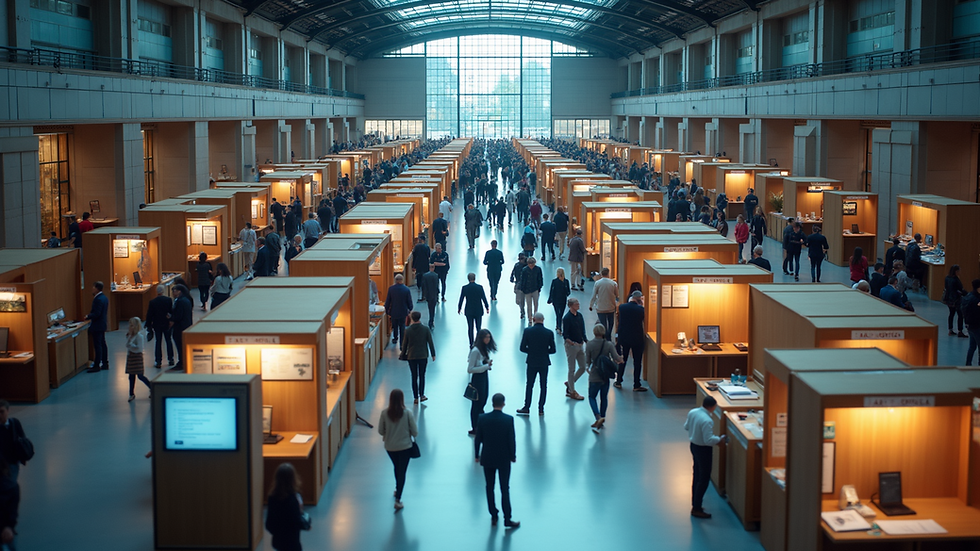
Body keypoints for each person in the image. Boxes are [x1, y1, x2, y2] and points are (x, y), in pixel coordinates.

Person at [474, 393, 519, 528]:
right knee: (504, 488)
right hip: (503, 458)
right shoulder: (508, 420)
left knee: (489, 487)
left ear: (492, 403)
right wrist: (513, 456)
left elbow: (478, 439)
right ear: (503, 403)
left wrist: (477, 455)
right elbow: (511, 440)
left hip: (487, 457)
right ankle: (507, 518)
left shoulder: (482, 419)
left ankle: (493, 515)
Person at [685, 396, 728, 519]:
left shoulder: (693, 412)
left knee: (697, 475)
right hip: (703, 450)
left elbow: (686, 427)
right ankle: (697, 508)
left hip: (693, 446)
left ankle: (696, 503)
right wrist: (720, 439)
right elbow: (708, 440)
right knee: (704, 479)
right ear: (712, 407)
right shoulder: (707, 420)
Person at [378, 388, 419, 511]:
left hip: (390, 447)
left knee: (397, 467)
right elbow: (415, 432)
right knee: (402, 471)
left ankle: (397, 488)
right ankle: (398, 499)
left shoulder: (384, 413)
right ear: (402, 399)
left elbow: (380, 431)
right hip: (405, 447)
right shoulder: (407, 413)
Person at [517, 312, 556, 416]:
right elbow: (553, 350)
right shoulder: (549, 333)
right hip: (544, 362)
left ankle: (526, 407)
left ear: (534, 319)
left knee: (529, 385)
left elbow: (522, 348)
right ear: (543, 320)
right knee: (543, 385)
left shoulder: (527, 331)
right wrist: (544, 351)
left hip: (531, 361)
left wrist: (531, 351)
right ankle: (541, 409)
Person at [586, 324, 622, 430]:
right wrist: (621, 358)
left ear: (594, 332)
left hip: (594, 375)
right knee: (604, 397)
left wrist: (588, 368)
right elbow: (616, 358)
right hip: (605, 375)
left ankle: (597, 417)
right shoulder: (609, 344)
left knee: (592, 397)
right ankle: (602, 417)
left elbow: (587, 361)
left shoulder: (590, 345)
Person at [265, 463, 308, 550]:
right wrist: (307, 523)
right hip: (292, 542)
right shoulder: (293, 499)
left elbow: (269, 524)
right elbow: (297, 521)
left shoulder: (272, 498)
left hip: (278, 542)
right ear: (293, 479)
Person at [467, 329, 496, 435]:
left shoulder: (483, 349)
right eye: (486, 337)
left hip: (483, 377)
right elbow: (470, 369)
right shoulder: (475, 351)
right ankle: (475, 427)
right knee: (477, 404)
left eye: (489, 337)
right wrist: (485, 366)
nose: (488, 339)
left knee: (483, 401)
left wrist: (486, 363)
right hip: (478, 379)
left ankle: (479, 425)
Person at [616, 290, 646, 391]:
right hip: (637, 338)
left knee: (622, 359)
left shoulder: (622, 307)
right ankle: (636, 384)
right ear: (639, 299)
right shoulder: (641, 310)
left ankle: (619, 381)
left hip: (624, 337)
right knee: (637, 362)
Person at [402, 312, 435, 403]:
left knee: (414, 376)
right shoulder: (425, 329)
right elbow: (430, 342)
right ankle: (422, 395)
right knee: (422, 375)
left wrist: (403, 355)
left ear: (412, 318)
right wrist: (433, 354)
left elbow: (405, 345)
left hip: (411, 356)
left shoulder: (408, 331)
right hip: (423, 355)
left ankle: (415, 397)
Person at [562, 298, 587, 401]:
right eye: (576, 304)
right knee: (571, 368)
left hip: (580, 344)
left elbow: (582, 329)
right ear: (571, 306)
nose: (578, 305)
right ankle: (572, 391)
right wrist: (571, 343)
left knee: (583, 367)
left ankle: (570, 383)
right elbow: (565, 334)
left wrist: (585, 340)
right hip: (571, 346)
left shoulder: (580, 316)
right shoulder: (567, 318)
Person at [146, 285, 174, 368]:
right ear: (163, 291)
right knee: (168, 340)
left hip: (157, 324)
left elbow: (149, 314)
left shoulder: (152, 302)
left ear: (157, 292)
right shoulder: (168, 300)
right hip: (166, 323)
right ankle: (171, 359)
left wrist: (148, 325)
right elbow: (171, 311)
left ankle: (158, 361)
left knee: (158, 342)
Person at [458, 273, 490, 347]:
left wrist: (459, 308)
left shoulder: (464, 288)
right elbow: (483, 298)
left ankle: (471, 343)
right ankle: (478, 342)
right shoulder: (480, 287)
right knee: (478, 327)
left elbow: (461, 299)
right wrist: (487, 307)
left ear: (468, 278)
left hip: (469, 310)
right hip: (478, 309)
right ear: (475, 278)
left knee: (470, 327)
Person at [124, 317, 151, 402]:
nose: (129, 327)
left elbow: (139, 349)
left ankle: (152, 387)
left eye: (131, 325)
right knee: (131, 376)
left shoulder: (139, 336)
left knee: (140, 375)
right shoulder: (129, 335)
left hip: (137, 357)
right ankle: (131, 394)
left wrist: (130, 346)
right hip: (131, 357)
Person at [0, 400, 28, 482]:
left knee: (10, 484)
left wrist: (23, 456)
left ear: (8, 411)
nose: (0, 415)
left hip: (13, 462)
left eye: (2, 412)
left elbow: (23, 439)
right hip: (1, 463)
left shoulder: (15, 423)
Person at [85, 281, 109, 373]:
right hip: (102, 324)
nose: (92, 289)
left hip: (97, 325)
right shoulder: (104, 298)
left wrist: (88, 316)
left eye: (93, 287)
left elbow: (97, 313)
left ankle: (96, 365)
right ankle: (105, 363)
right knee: (103, 344)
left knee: (98, 345)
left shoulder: (98, 299)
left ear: (96, 288)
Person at [589, 267, 619, 340]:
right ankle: (608, 335)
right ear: (608, 274)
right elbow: (617, 295)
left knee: (603, 323)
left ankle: (605, 336)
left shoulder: (597, 283)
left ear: (601, 274)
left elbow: (594, 295)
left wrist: (591, 305)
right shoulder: (613, 283)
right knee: (611, 323)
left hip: (601, 308)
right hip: (611, 307)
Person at [385, 274, 413, 350]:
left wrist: (387, 310)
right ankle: (402, 343)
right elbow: (409, 301)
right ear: (402, 280)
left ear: (395, 280)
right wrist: (410, 309)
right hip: (403, 311)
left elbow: (388, 300)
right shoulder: (406, 289)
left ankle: (395, 337)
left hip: (394, 311)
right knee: (402, 326)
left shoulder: (391, 289)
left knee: (395, 325)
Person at [169, 285, 193, 371]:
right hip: (186, 325)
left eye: (174, 291)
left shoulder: (180, 302)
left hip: (179, 327)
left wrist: (171, 318)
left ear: (179, 291)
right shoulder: (187, 300)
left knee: (179, 345)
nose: (173, 293)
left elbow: (178, 316)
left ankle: (181, 362)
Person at [943, 265, 968, 337]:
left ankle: (950, 330)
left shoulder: (947, 278)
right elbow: (961, 289)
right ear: (956, 271)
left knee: (951, 314)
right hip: (956, 299)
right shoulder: (956, 279)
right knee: (960, 315)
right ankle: (960, 330)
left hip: (948, 299)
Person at [519, 257, 544, 326]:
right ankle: (530, 318)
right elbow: (522, 280)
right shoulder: (524, 270)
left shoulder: (538, 269)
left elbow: (540, 278)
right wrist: (522, 289)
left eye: (532, 264)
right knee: (529, 305)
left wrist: (539, 287)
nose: (531, 266)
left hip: (535, 289)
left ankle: (535, 318)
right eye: (530, 264)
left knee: (536, 304)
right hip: (527, 290)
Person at [547, 267, 570, 334]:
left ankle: (558, 325)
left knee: (560, 314)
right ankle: (559, 327)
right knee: (559, 314)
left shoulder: (565, 282)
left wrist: (550, 298)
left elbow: (552, 291)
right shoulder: (556, 281)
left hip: (560, 300)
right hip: (558, 300)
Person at [963, 279, 980, 365]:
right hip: (977, 325)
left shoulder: (969, 296)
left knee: (972, 346)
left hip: (969, 325)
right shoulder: (976, 300)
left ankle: (968, 363)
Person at [411, 236, 431, 300]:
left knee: (419, 278)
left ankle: (420, 292)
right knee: (425, 279)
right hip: (425, 265)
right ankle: (424, 294)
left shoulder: (416, 247)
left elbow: (414, 257)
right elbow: (428, 256)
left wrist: (413, 266)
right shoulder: (427, 247)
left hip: (418, 265)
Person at [510, 253, 528, 319]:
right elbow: (513, 272)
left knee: (522, 299)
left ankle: (523, 312)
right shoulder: (517, 265)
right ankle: (522, 311)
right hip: (519, 284)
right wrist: (511, 277)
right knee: (520, 300)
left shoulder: (526, 266)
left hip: (525, 285)